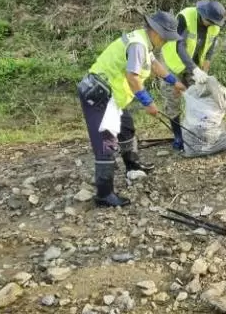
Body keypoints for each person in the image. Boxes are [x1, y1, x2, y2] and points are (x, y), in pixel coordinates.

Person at [77, 11, 186, 207]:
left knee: (126, 127)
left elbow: (154, 64)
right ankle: (104, 194)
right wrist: (148, 102)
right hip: (99, 94)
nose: (166, 42)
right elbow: (133, 77)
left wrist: (173, 81)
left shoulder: (144, 42)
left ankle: (132, 166)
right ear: (156, 33)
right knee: (106, 144)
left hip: (113, 97)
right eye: (165, 38)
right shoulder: (138, 44)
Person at [160, 0, 226, 150]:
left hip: (195, 65)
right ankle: (178, 136)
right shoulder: (185, 17)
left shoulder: (214, 25)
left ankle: (200, 133)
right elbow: (179, 45)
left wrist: (204, 70)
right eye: (209, 21)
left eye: (214, 23)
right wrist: (194, 69)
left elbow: (210, 49)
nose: (211, 25)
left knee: (201, 97)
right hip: (173, 63)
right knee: (173, 99)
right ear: (203, 14)